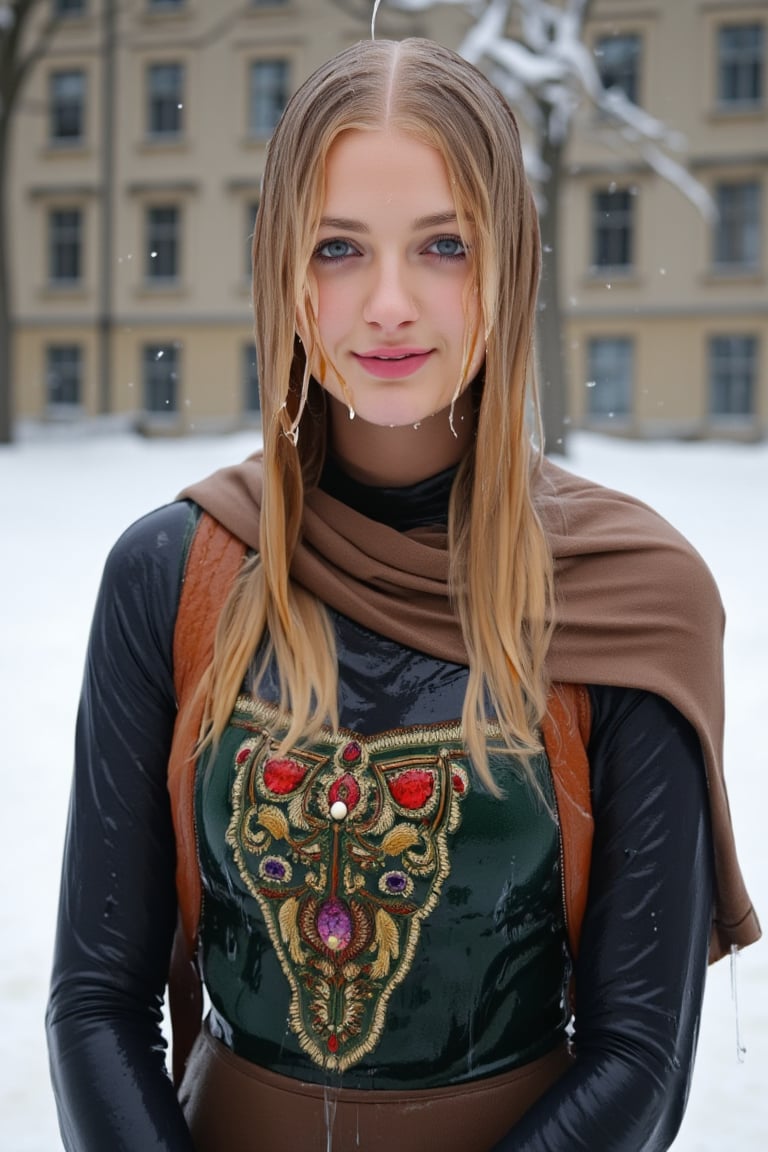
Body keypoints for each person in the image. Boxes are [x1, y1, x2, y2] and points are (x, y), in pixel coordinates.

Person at [46, 37, 759, 1152]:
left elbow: (640, 1057)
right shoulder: (173, 576)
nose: (387, 304)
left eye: (443, 245)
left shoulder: (627, 597)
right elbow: (96, 1001)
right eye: (337, 247)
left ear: (510, 262)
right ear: (281, 264)